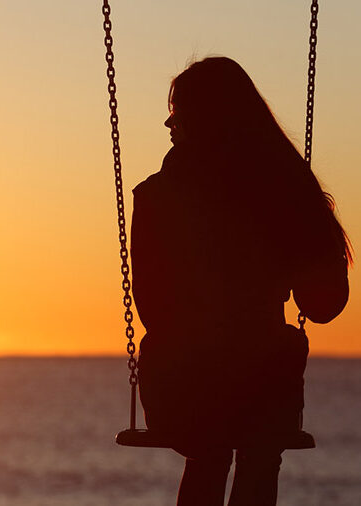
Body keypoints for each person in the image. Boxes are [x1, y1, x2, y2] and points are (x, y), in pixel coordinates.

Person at [130, 57, 351, 506]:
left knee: (209, 451)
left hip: (182, 382)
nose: (168, 121)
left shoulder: (156, 196)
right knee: (260, 447)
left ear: (204, 118)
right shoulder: (286, 192)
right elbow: (325, 305)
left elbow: (151, 304)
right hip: (262, 381)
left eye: (178, 110)